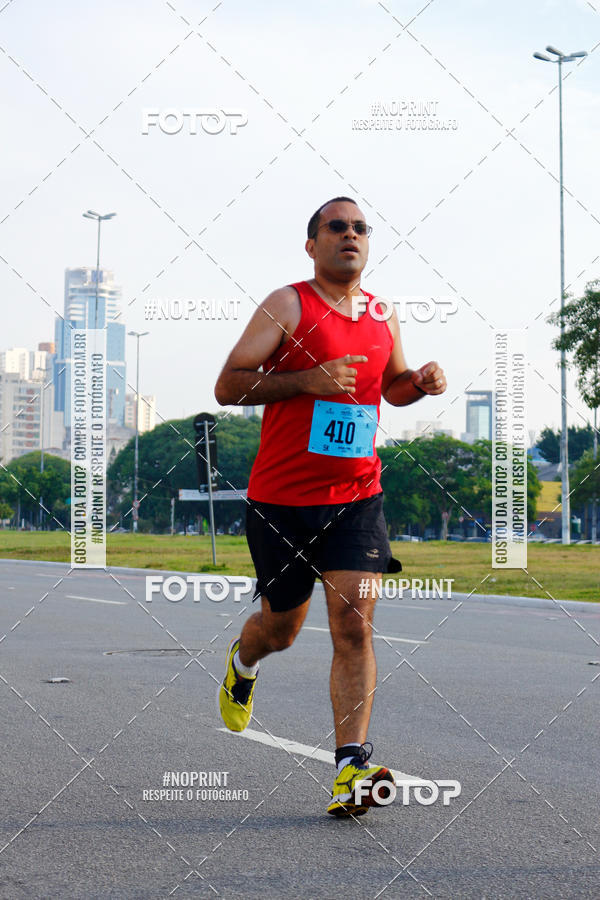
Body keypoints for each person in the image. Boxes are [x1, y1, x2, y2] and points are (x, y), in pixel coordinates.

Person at [214, 197, 447, 816]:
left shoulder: (382, 313)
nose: (351, 235)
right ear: (312, 244)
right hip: (281, 502)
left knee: (354, 625)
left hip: (356, 498)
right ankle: (243, 661)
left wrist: (416, 384)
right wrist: (305, 381)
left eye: (361, 228)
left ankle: (351, 768)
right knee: (282, 630)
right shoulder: (287, 304)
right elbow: (229, 384)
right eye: (337, 227)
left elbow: (389, 388)